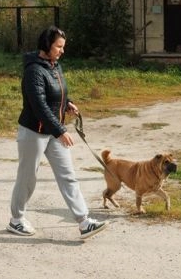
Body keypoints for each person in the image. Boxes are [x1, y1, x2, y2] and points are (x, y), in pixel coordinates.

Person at [7, 26, 108, 239]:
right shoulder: (34, 70)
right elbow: (39, 105)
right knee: (27, 178)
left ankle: (84, 222)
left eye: (63, 47)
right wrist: (61, 130)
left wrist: (67, 104)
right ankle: (16, 220)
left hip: (53, 131)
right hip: (33, 132)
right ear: (46, 45)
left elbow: (56, 94)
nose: (62, 51)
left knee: (68, 176)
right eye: (58, 46)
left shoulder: (54, 65)